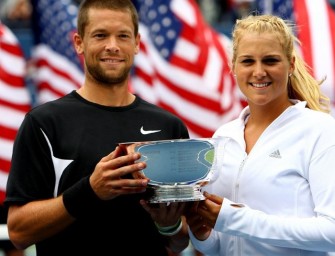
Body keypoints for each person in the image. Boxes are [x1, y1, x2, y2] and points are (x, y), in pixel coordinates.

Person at [4, 0, 190, 255]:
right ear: (79, 42)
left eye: (122, 36)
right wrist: (90, 190)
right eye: (100, 35)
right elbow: (18, 232)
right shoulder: (43, 123)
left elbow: (180, 242)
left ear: (136, 43)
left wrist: (169, 225)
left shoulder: (169, 126)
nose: (112, 46)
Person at [186, 14, 335, 255]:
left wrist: (234, 219)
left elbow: (331, 232)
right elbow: (221, 246)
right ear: (233, 66)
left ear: (291, 64)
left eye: (270, 60)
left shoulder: (321, 130)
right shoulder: (223, 136)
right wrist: (203, 234)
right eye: (247, 61)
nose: (258, 72)